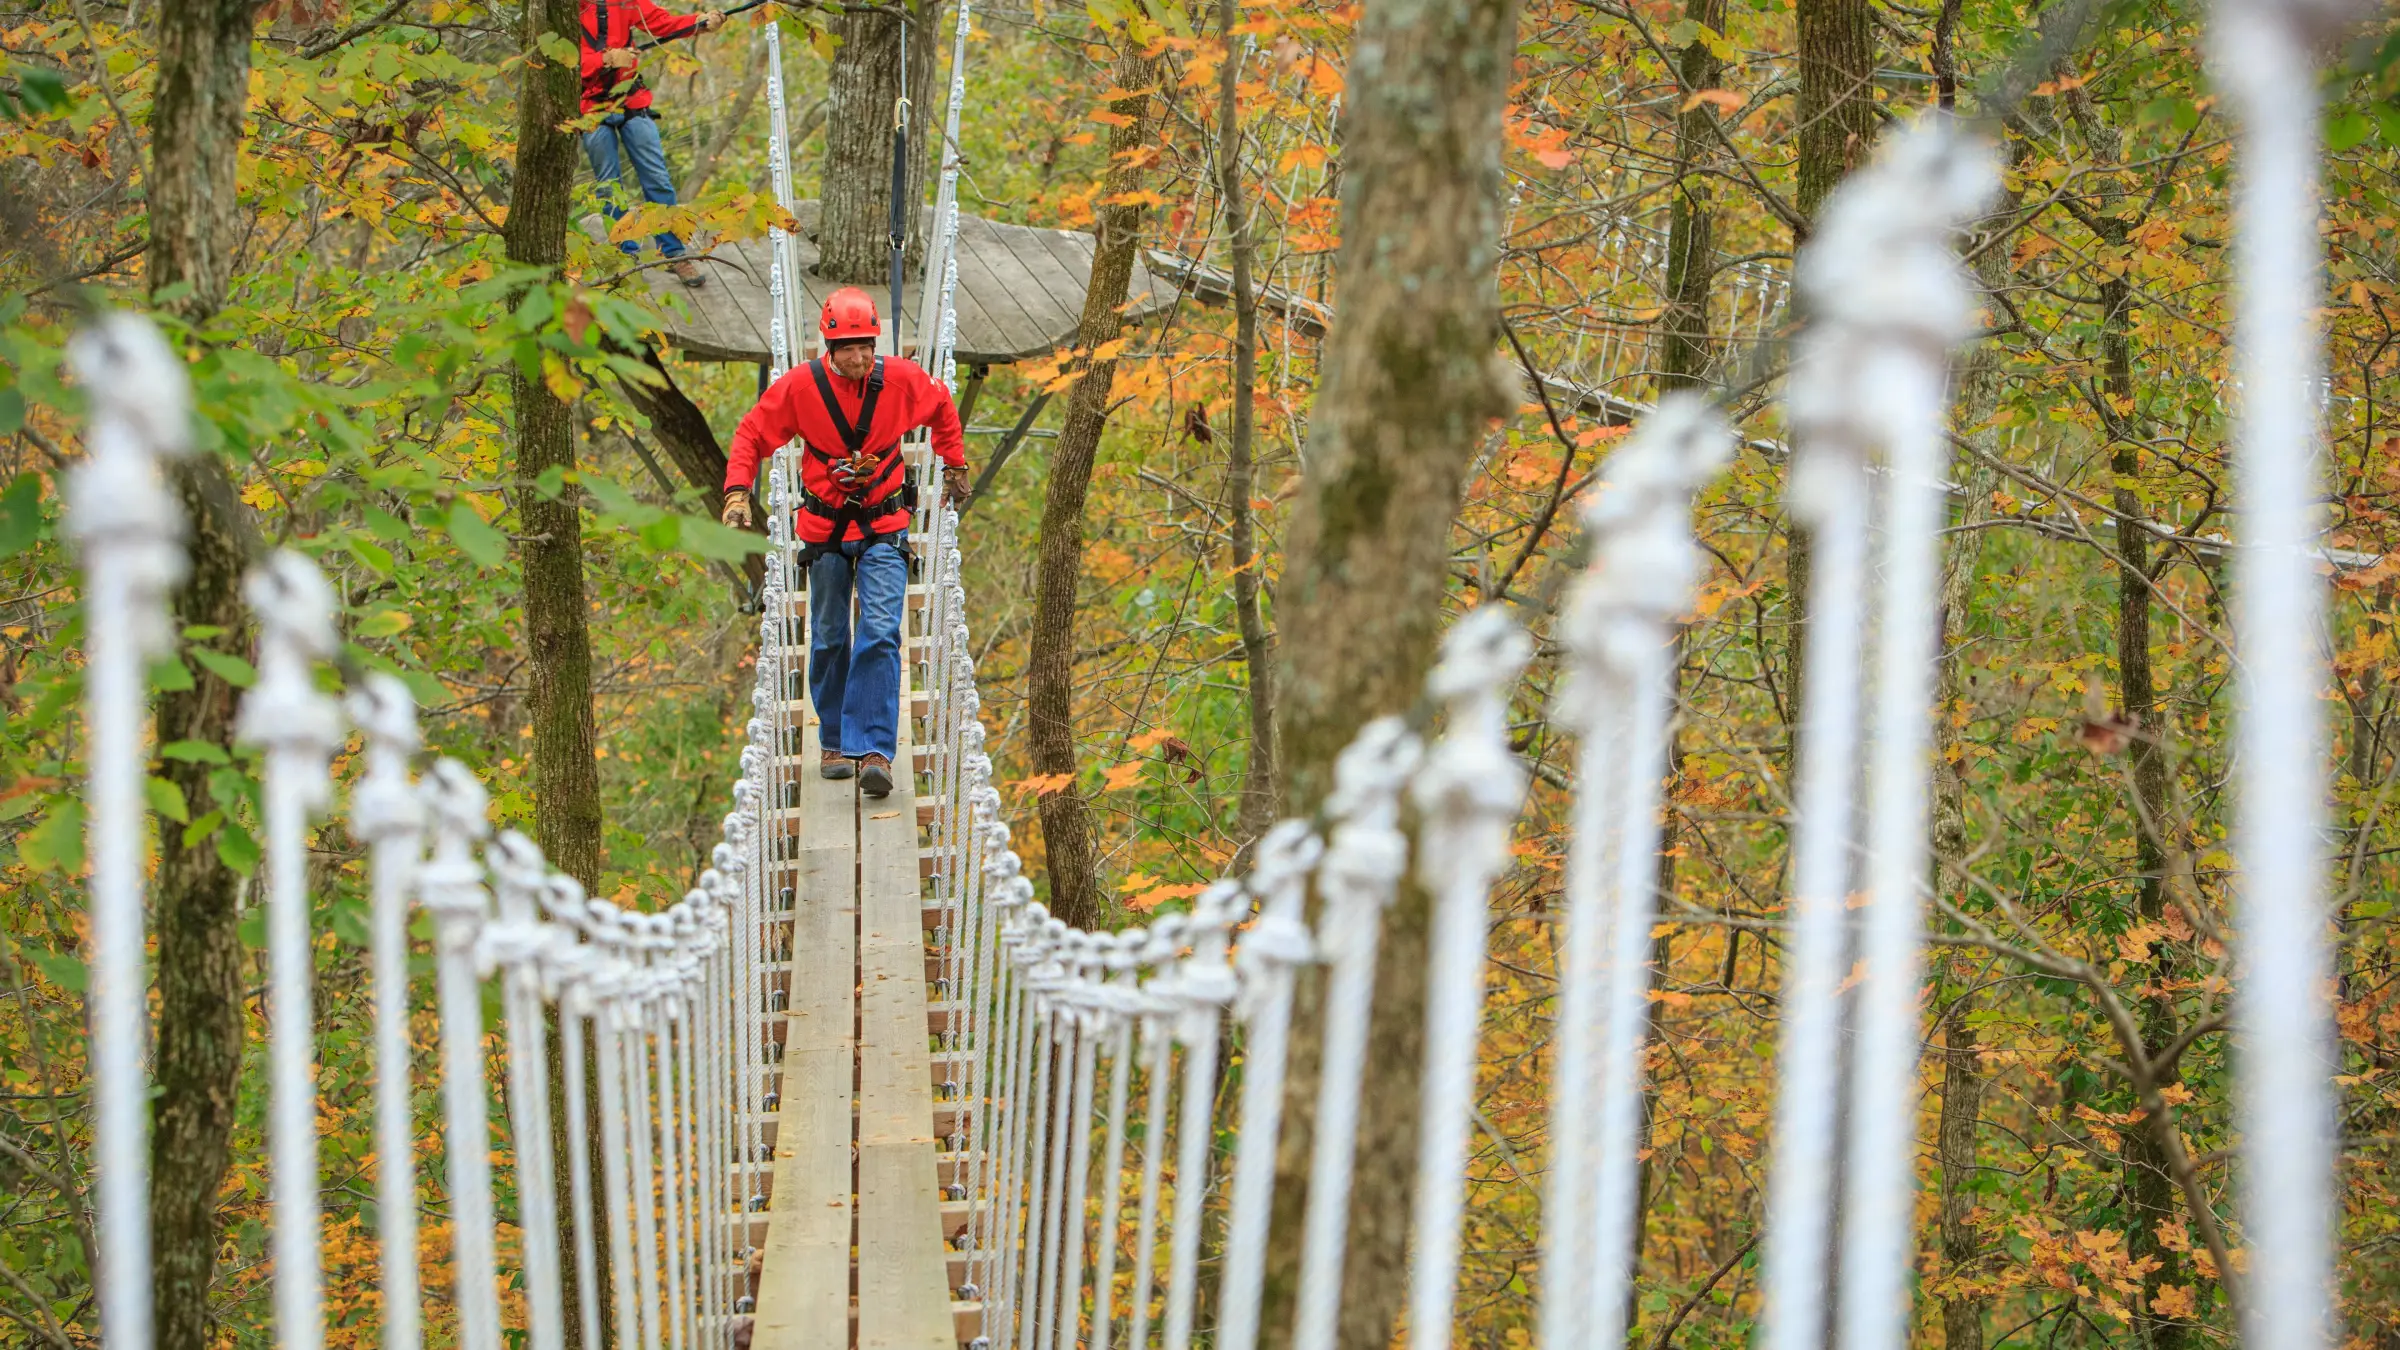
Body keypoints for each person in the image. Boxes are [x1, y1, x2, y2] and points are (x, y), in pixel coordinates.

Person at [721, 288, 971, 798]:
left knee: (880, 630)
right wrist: (737, 493)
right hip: (825, 530)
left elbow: (943, 405)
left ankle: (874, 751)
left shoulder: (900, 379)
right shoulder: (799, 389)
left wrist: (956, 465)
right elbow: (751, 434)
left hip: (885, 526)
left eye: (866, 346)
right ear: (828, 348)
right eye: (848, 347)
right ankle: (834, 741)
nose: (858, 357)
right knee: (831, 636)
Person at [579, 2, 725, 287]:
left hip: (632, 101)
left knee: (657, 179)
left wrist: (700, 22)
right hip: (591, 107)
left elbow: (662, 23)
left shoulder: (624, 2)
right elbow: (564, 60)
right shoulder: (563, 10)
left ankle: (673, 254)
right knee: (609, 186)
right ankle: (625, 257)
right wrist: (605, 59)